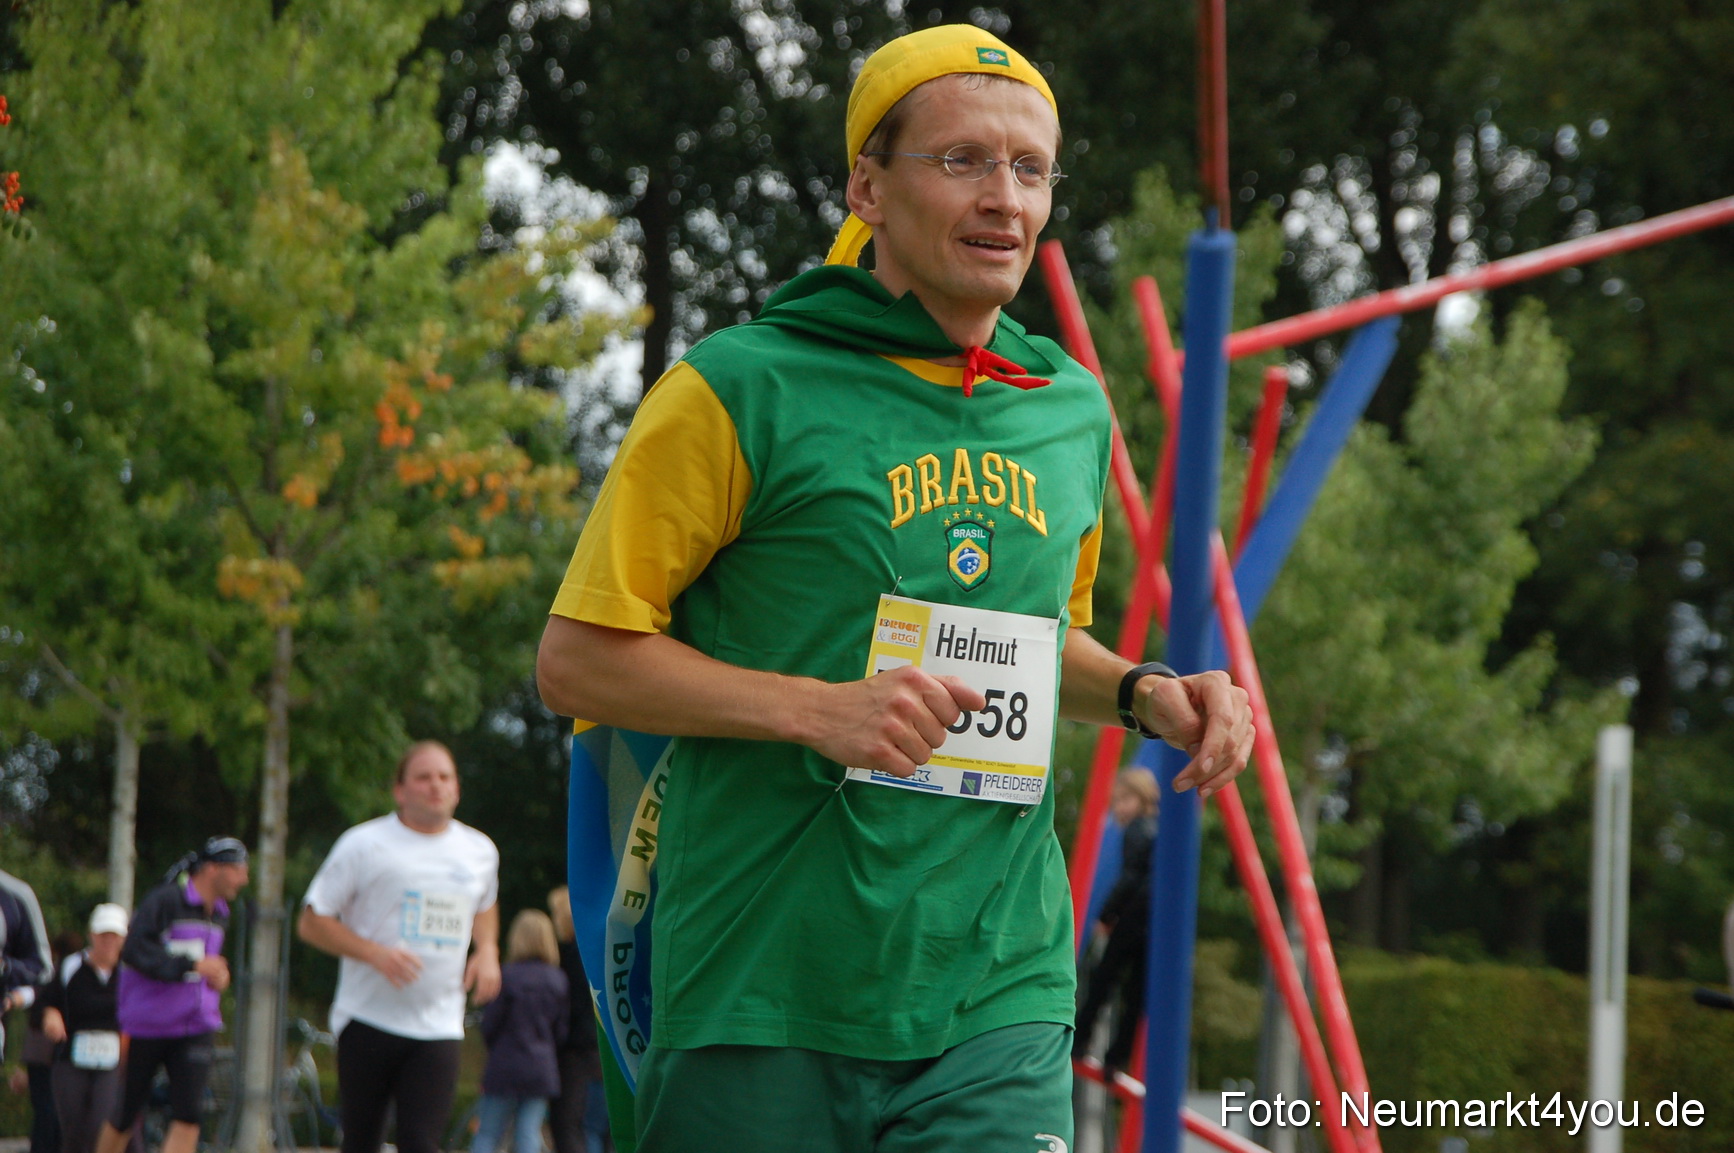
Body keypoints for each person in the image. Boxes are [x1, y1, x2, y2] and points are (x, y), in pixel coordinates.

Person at [534, 22, 1255, 1151]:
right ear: (868, 186)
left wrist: (1142, 690)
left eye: (1029, 169)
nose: (1003, 199)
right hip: (759, 986)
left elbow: (1033, 639)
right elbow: (576, 658)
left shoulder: (1067, 406)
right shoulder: (736, 388)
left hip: (994, 992)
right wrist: (819, 711)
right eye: (963, 160)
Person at [297, 739, 502, 1153]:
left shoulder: (480, 851)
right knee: (361, 1141)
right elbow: (311, 922)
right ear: (400, 790)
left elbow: (485, 903)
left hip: (439, 1023)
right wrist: (375, 953)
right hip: (368, 1018)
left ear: (457, 788)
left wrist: (488, 950)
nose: (435, 786)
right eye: (423, 777)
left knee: (422, 1142)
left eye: (444, 777)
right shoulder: (364, 844)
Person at [95, 838, 250, 1153]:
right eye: (238, 870)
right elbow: (136, 951)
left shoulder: (221, 913)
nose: (244, 879)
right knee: (126, 1111)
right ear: (212, 869)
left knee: (190, 1115)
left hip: (196, 1026)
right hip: (148, 1024)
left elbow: (205, 967)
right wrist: (191, 965)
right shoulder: (164, 901)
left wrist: (219, 977)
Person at [1075, 767, 1160, 1077]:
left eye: (1125, 800)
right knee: (1136, 992)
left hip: (1135, 914)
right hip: (1155, 920)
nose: (1119, 808)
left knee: (1103, 979)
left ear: (1142, 799)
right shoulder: (1159, 829)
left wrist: (1106, 914)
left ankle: (1080, 1040)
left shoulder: (1138, 830)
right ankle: (1117, 1060)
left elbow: (1129, 878)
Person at [472, 910, 569, 1153]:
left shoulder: (507, 976)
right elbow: (561, 1031)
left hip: (505, 1064)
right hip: (541, 1067)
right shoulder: (557, 980)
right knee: (528, 1134)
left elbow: (490, 1025)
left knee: (488, 1134)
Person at [42, 905, 129, 1153]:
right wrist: (51, 1016)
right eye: (103, 935)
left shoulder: (129, 973)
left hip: (112, 1062)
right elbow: (46, 1001)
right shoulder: (71, 967)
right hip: (71, 1058)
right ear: (92, 935)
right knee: (73, 1126)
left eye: (115, 936)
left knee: (101, 1123)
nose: (108, 942)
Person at [546, 888, 608, 1153]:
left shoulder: (570, 958)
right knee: (602, 1130)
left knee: (571, 1125)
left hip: (576, 1055)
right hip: (604, 1052)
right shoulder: (601, 952)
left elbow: (565, 1012)